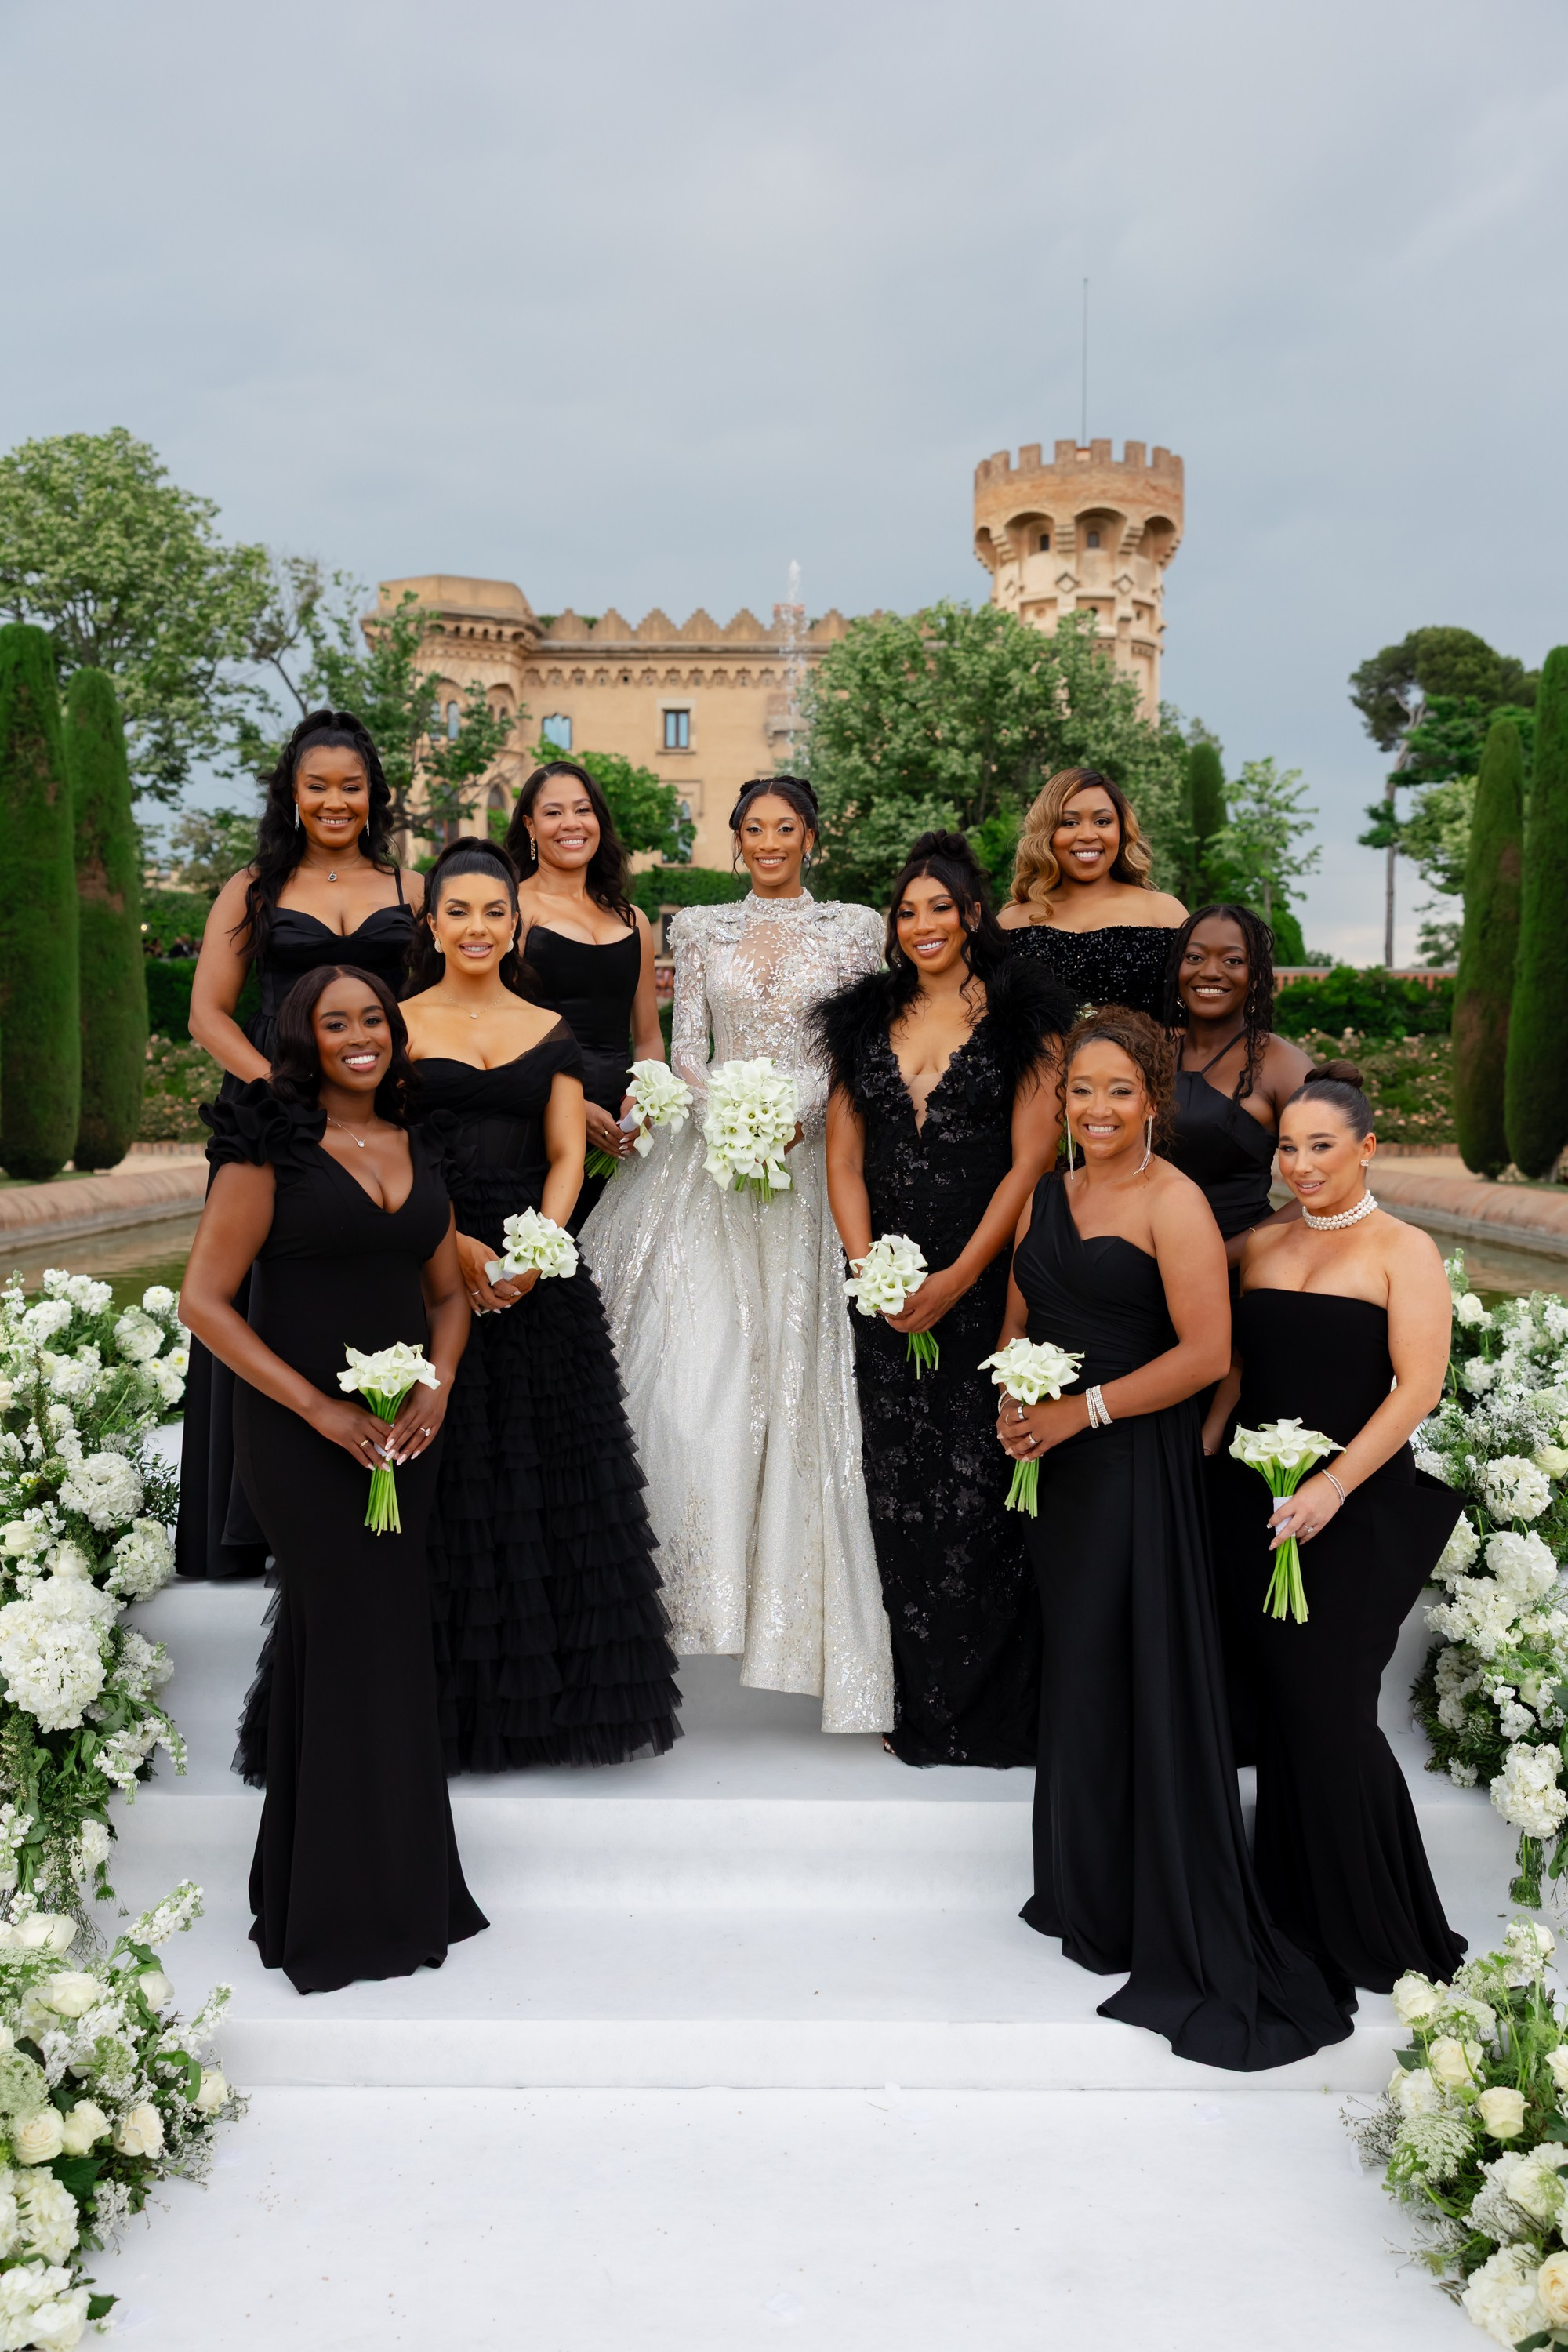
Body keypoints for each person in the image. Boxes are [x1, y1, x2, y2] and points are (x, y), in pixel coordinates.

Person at [996, 1008, 1351, 2070]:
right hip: (1053, 1468)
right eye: (1081, 1092)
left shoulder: (1176, 1202)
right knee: (1079, 1669)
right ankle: (1083, 1888)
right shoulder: (1051, 1195)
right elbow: (1019, 1312)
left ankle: (1135, 1901)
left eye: (1117, 1092)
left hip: (1131, 1470)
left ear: (1152, 1101)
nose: (1097, 1110)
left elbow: (1206, 1353)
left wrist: (1081, 1412)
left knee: (1124, 1670)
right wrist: (1013, 1399)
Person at [180, 966, 486, 1994]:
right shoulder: (268, 1147)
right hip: (304, 1442)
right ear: (304, 1038)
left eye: (373, 1020)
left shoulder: (418, 1139)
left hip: (406, 1434)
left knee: (386, 1644)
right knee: (348, 1638)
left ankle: (387, 1890)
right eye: (335, 1023)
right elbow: (205, 1304)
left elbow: (446, 1292)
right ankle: (338, 1914)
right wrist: (319, 1409)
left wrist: (436, 1386)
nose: (361, 1037)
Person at [583, 778, 895, 1735]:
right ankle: (686, 1594)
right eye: (754, 829)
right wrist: (717, 1112)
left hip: (810, 1164)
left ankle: (793, 1613)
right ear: (736, 840)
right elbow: (683, 1048)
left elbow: (859, 1048)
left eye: (785, 829)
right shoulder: (699, 928)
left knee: (802, 1380)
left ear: (811, 835)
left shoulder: (853, 928)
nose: (769, 843)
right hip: (710, 1162)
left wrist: (802, 1115)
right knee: (688, 1371)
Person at [401, 837, 681, 1773]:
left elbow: (569, 1153)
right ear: (430, 924)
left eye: (493, 913)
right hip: (425, 1261)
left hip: (537, 1271)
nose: (477, 928)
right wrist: (452, 1240)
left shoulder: (548, 1026)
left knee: (548, 1485)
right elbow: (383, 1155)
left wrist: (536, 1248)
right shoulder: (393, 1026)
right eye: (459, 912)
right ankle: (426, 1706)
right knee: (447, 1480)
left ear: (513, 925)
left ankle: (553, 1717)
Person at [1203, 1062, 1466, 1997]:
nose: (1301, 1165)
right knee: (1280, 1704)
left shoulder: (1404, 1249)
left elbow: (1418, 1390)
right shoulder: (1259, 1243)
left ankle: (1379, 1927)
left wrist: (1331, 1486)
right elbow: (1224, 1364)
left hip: (1348, 1509)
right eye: (1287, 1147)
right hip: (1250, 1504)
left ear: (1366, 1149)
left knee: (1328, 1707)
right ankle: (1290, 1905)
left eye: (1321, 1147)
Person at [815, 833, 1073, 1766]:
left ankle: (998, 1710)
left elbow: (1030, 1165)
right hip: (880, 1291)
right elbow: (842, 1159)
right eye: (906, 910)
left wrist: (959, 1276)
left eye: (938, 908)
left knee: (978, 1485)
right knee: (898, 1493)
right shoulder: (858, 1019)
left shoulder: (1023, 1021)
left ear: (971, 916)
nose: (921, 925)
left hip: (985, 1278)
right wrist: (867, 1270)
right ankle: (918, 1705)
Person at [177, 710, 423, 1583]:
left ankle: (388, 1484)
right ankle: (263, 1518)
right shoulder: (251, 889)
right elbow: (208, 1011)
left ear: (373, 795)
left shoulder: (411, 888)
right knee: (268, 1301)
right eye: (315, 786)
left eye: (349, 786)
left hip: (384, 1123)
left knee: (377, 1292)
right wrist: (290, 1097)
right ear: (290, 793)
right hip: (272, 1123)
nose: (333, 801)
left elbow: (428, 1011)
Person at [503, 760, 665, 1232]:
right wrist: (571, 1109)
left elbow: (649, 1037)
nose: (571, 824)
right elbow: (499, 1024)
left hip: (622, 1129)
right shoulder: (512, 908)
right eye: (554, 813)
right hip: (536, 1119)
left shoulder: (633, 919)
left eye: (583, 810)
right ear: (531, 826)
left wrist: (643, 1100)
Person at [1163, 905, 1313, 1270]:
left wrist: (1221, 1257)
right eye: (1194, 957)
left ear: (1257, 976)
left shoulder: (1282, 1064)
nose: (1210, 971)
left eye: (1232, 960)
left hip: (1236, 1271)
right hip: (1142, 1265)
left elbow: (1337, 1180)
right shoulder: (1152, 1054)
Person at [997, 768, 1185, 1018]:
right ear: (1048, 834)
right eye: (1070, 822)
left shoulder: (1164, 913)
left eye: (1102, 821)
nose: (1087, 835)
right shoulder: (1011, 924)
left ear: (1121, 830)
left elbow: (1197, 1022)